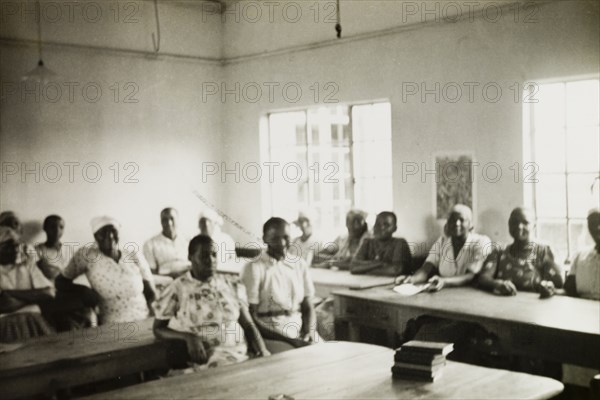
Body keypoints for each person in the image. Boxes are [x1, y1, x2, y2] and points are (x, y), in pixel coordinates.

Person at [153, 235, 270, 371]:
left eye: (214, 255)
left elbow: (248, 324)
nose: (211, 261)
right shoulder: (178, 287)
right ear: (190, 258)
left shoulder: (230, 283)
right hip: (208, 360)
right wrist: (189, 338)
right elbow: (158, 328)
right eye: (203, 256)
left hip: (242, 355)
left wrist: (262, 350)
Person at [56, 216, 155, 325]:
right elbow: (60, 282)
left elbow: (151, 292)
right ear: (95, 236)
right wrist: (83, 290)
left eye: (113, 231)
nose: (110, 236)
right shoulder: (86, 255)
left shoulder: (132, 253)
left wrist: (156, 319)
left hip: (144, 318)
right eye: (103, 232)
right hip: (112, 323)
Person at [241, 217, 319, 351]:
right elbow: (251, 318)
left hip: (299, 331)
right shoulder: (254, 268)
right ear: (265, 239)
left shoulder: (299, 264)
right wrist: (292, 341)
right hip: (271, 334)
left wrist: (309, 332)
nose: (282, 243)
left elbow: (308, 305)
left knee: (325, 356)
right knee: (296, 359)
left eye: (286, 237)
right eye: (276, 238)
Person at [478, 207, 564, 296]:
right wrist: (497, 284)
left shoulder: (544, 251)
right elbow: (483, 278)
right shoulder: (499, 251)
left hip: (535, 306)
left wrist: (549, 288)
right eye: (514, 222)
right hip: (502, 305)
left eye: (525, 223)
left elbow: (559, 285)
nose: (519, 226)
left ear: (534, 226)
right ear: (509, 225)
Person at [405, 204, 491, 290]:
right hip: (443, 292)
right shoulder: (442, 242)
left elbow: (471, 276)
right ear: (448, 223)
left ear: (470, 224)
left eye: (461, 220)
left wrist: (445, 281)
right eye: (452, 220)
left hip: (470, 293)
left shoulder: (481, 242)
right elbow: (427, 268)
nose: (457, 223)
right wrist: (412, 279)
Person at [0, 226, 55, 342]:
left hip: (35, 321)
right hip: (5, 325)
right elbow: (4, 305)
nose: (16, 249)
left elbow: (49, 292)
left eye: (16, 244)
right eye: (8, 246)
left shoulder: (27, 265)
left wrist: (9, 293)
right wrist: (35, 297)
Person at [350, 211, 412, 277]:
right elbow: (353, 267)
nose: (381, 228)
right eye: (377, 224)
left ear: (394, 229)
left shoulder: (400, 243)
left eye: (386, 225)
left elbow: (395, 270)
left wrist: (363, 269)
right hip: (368, 282)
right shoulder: (367, 242)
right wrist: (380, 263)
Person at [143, 208, 190, 278]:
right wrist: (171, 276)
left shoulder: (188, 240)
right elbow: (151, 274)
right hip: (166, 281)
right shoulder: (150, 244)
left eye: (172, 218)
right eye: (165, 220)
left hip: (189, 278)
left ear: (178, 220)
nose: (169, 223)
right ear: (161, 222)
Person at [565, 208, 600, 300]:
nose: (598, 228)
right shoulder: (579, 257)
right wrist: (550, 289)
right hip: (581, 311)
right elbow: (568, 291)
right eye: (593, 223)